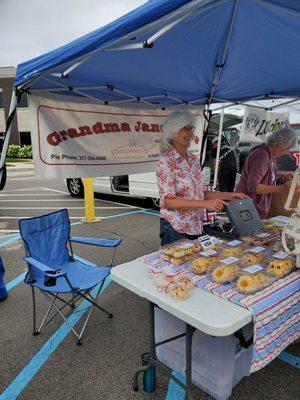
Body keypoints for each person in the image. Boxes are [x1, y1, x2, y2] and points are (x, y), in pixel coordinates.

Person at [156, 111, 248, 245]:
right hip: (175, 227)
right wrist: (204, 204)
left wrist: (230, 195)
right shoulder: (166, 160)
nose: (190, 133)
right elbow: (169, 202)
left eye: (191, 129)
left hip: (196, 225)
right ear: (173, 131)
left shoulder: (193, 160)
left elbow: (200, 193)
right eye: (185, 129)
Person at [234, 126, 297, 219]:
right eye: (287, 149)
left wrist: (281, 175)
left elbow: (263, 175)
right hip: (248, 207)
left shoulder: (268, 154)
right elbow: (253, 187)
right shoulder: (262, 156)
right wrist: (281, 188)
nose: (287, 153)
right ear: (280, 145)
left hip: (251, 206)